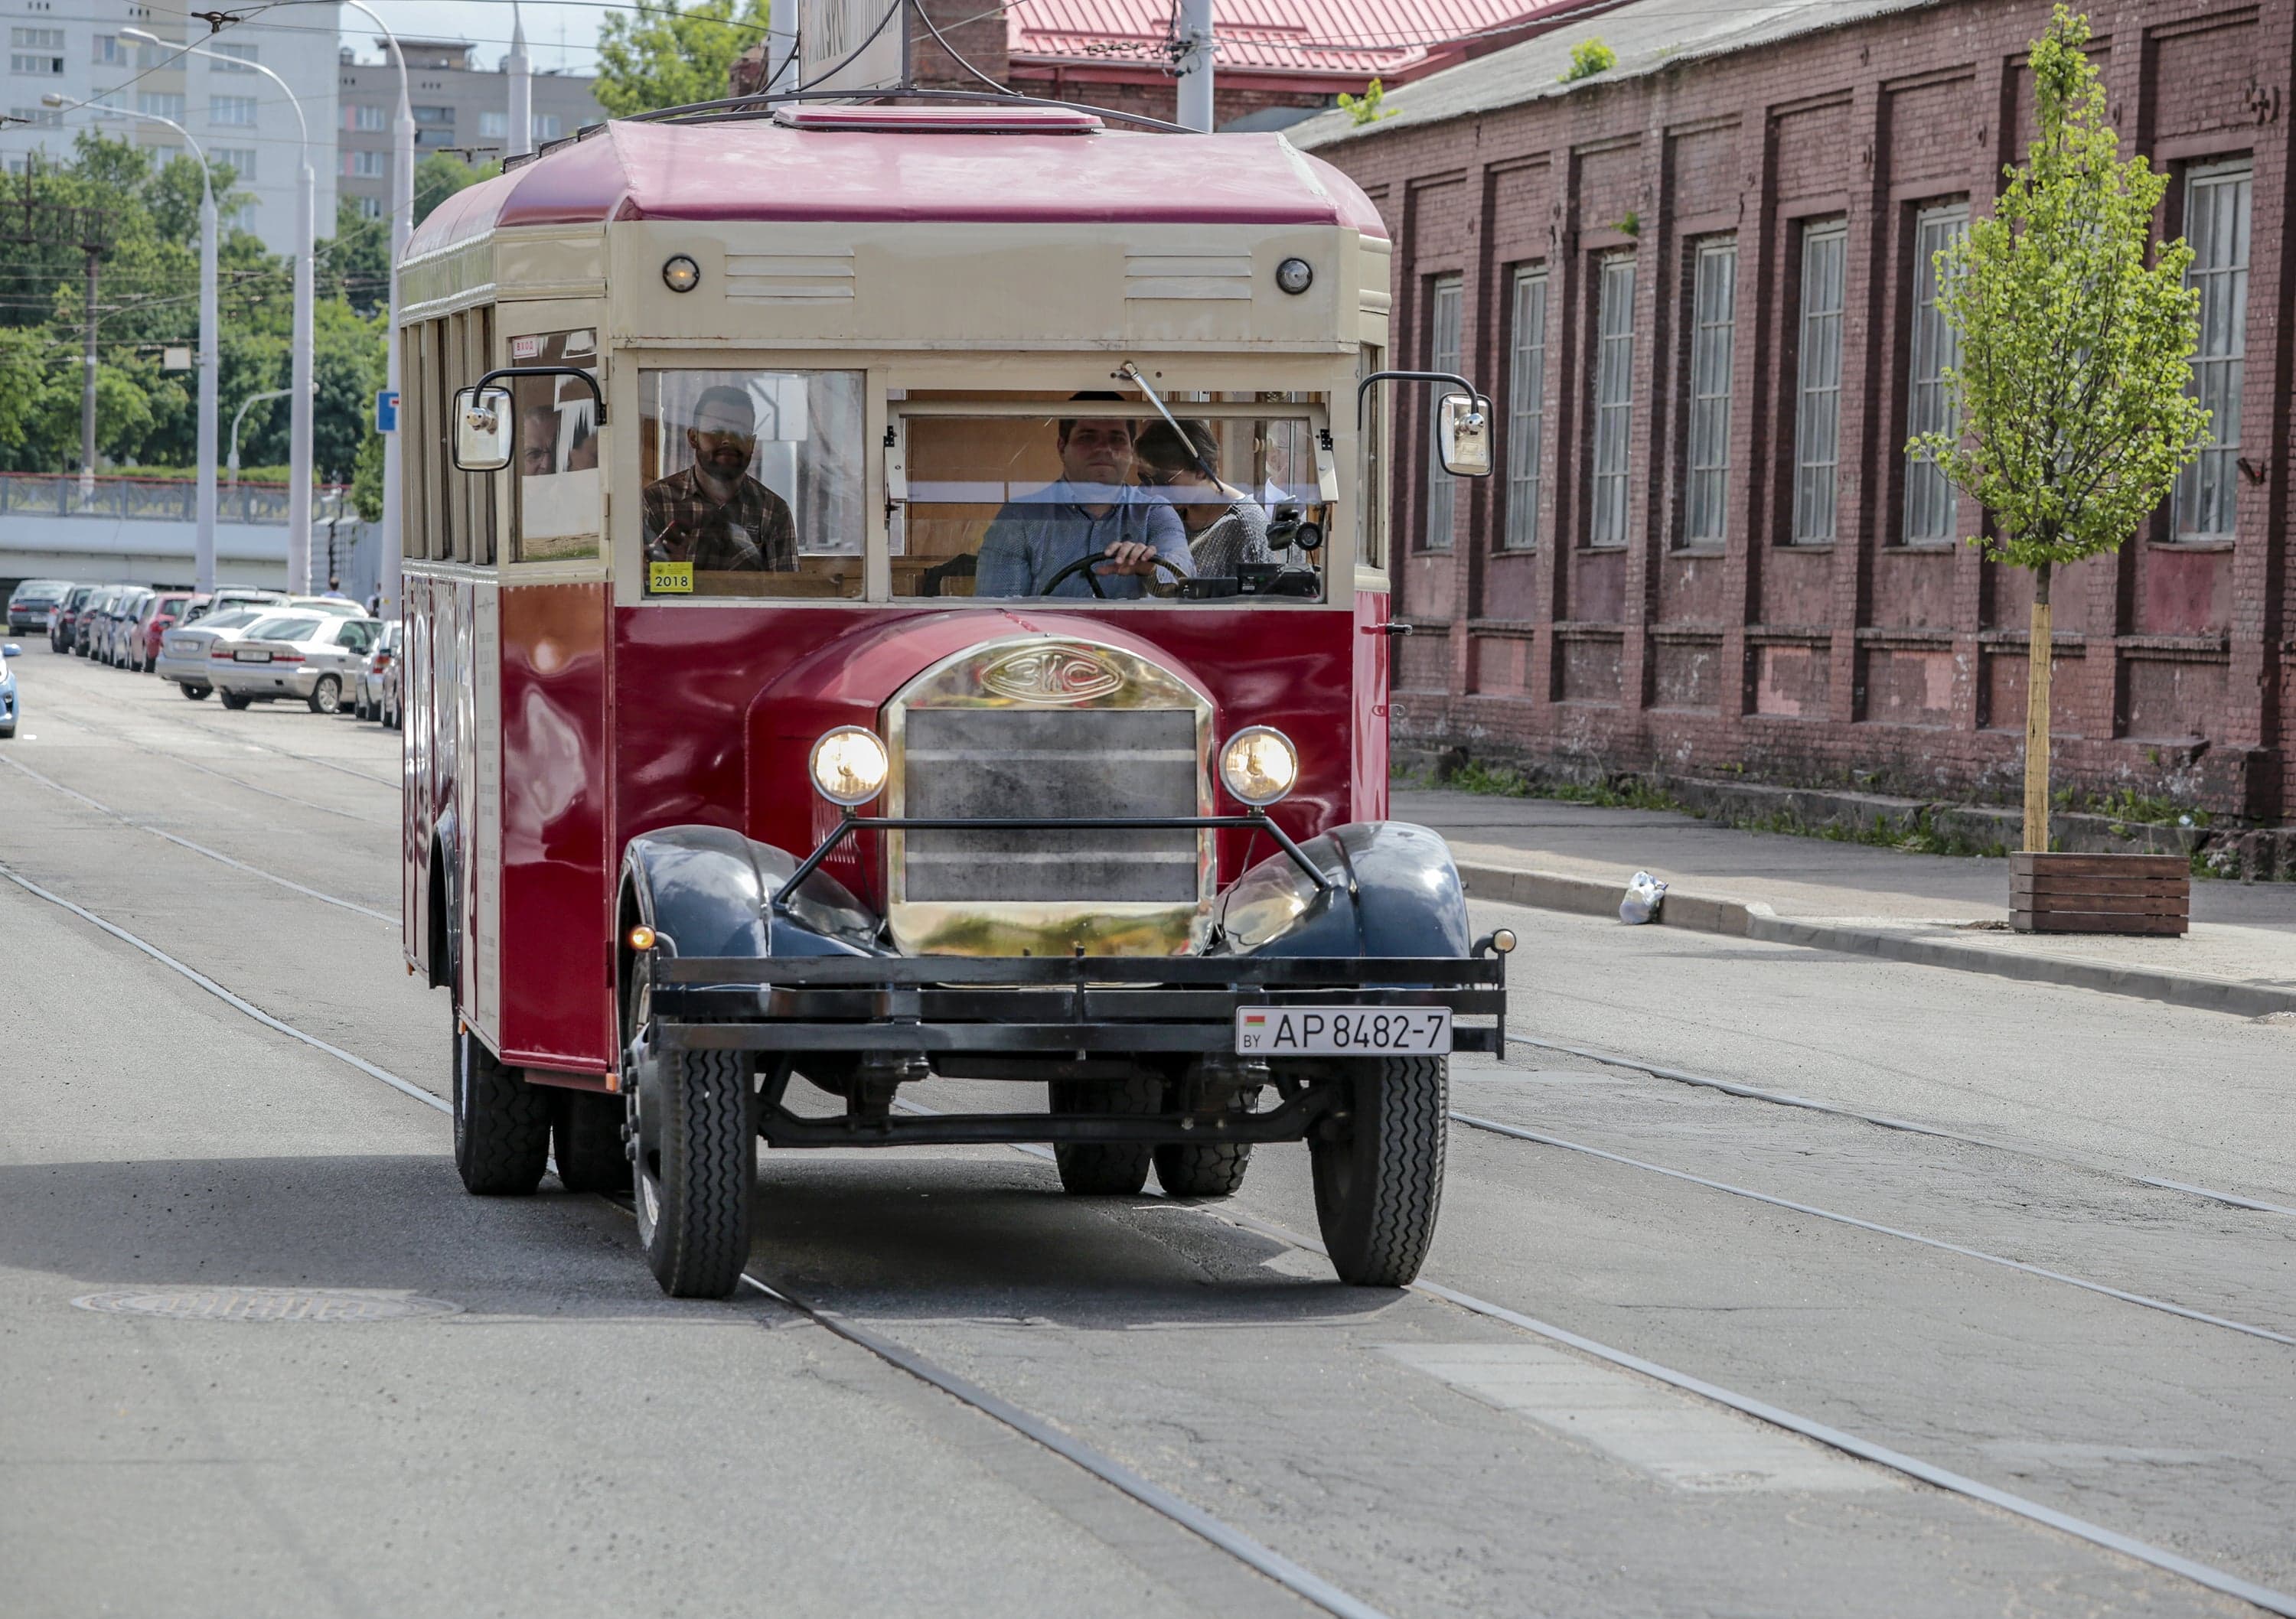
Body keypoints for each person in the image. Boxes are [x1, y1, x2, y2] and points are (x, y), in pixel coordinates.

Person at [974, 395, 1192, 598]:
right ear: (1062, 448)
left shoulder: (1155, 512)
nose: (1103, 448)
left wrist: (1151, 568)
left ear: (1131, 451)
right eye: (1087, 438)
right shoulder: (1020, 517)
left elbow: (1184, 580)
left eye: (1116, 439)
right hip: (1045, 629)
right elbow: (998, 608)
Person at [641, 383, 796, 574]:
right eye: (716, 431)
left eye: (740, 432)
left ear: (752, 443)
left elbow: (786, 588)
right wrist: (670, 568)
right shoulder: (656, 502)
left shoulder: (773, 511)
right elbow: (641, 584)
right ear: (693, 437)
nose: (728, 440)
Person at [1133, 419, 1272, 578]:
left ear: (1201, 470)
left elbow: (1262, 593)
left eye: (1162, 480)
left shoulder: (1243, 526)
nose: (1153, 491)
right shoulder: (1170, 513)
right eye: (1145, 479)